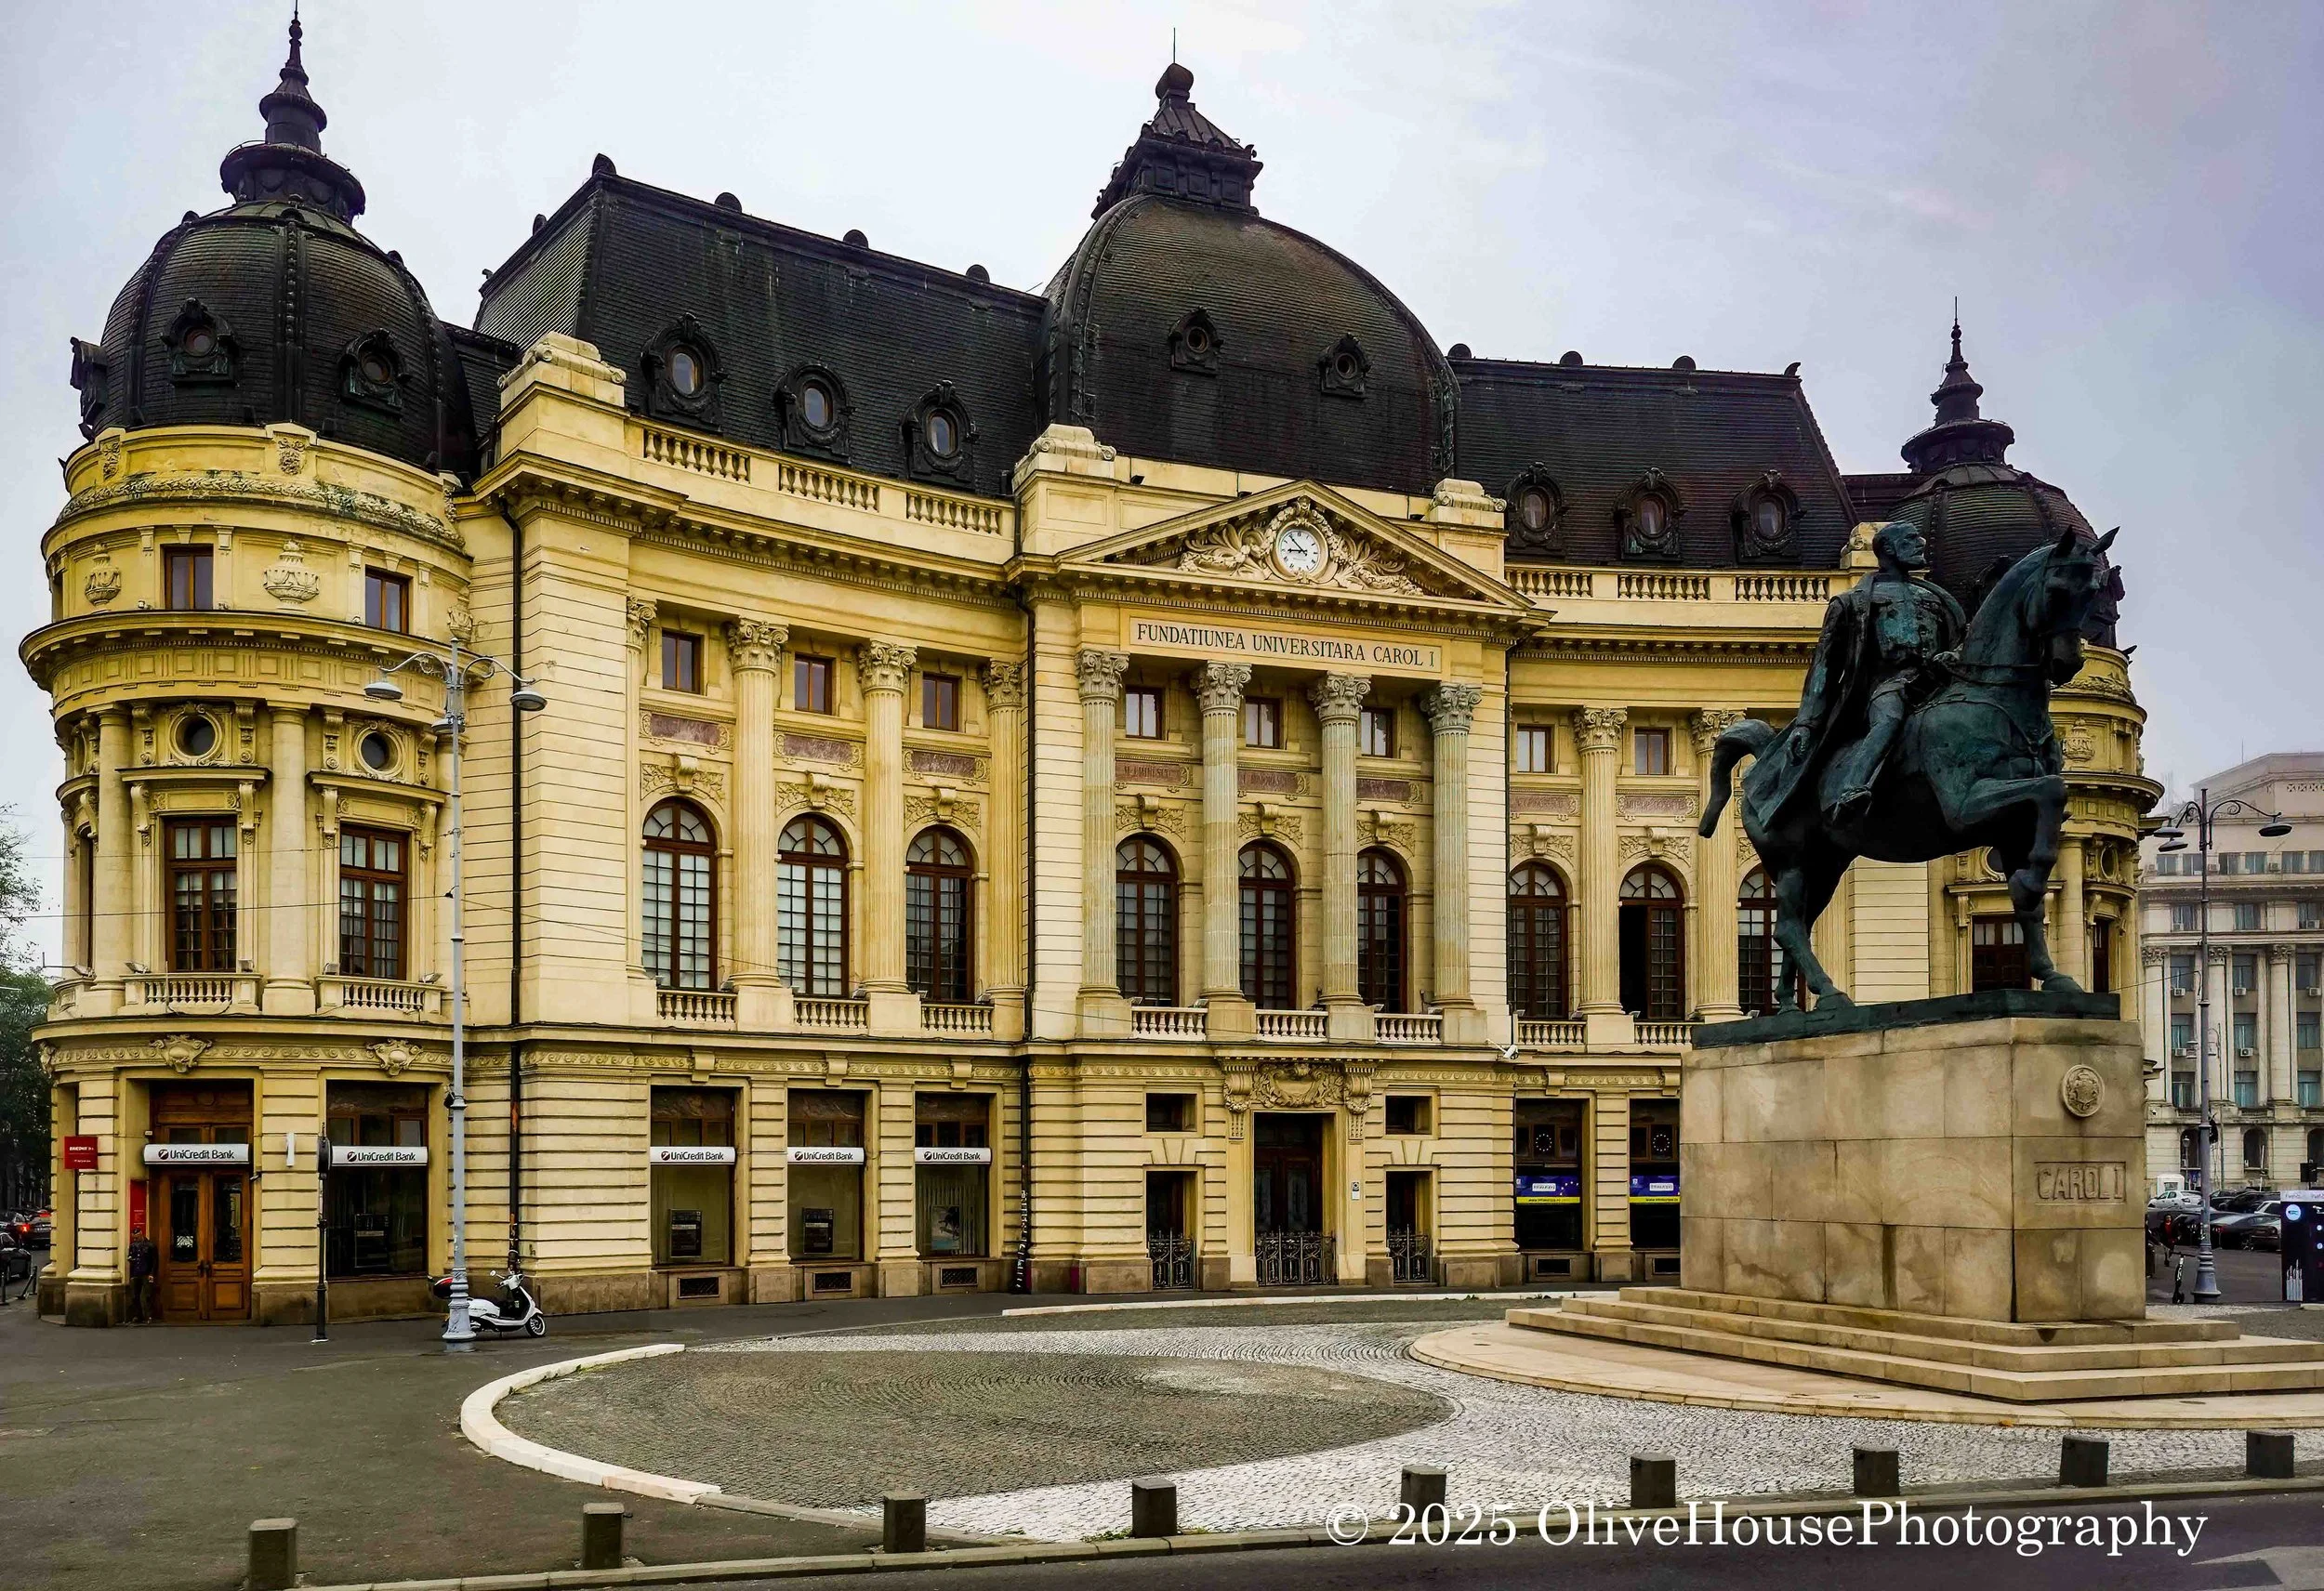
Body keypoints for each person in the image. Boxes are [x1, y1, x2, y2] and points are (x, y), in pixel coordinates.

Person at [1745, 520, 1969, 834]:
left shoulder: (1940, 598)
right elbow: (1824, 667)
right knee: (1888, 720)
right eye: (1910, 540)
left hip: (1939, 684)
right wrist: (1808, 723)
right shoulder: (1853, 602)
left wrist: (1954, 655)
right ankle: (1854, 786)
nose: (1920, 543)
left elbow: (1963, 642)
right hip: (1888, 686)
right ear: (1888, 549)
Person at [126, 1227, 158, 1323]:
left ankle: (149, 1316)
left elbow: (155, 1261)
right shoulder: (133, 1246)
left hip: (146, 1273)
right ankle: (138, 1315)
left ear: (141, 1234)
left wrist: (152, 1273)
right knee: (134, 1296)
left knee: (148, 1295)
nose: (135, 1240)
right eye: (134, 1238)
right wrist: (131, 1275)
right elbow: (132, 1261)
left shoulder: (150, 1245)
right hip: (136, 1273)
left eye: (137, 1237)